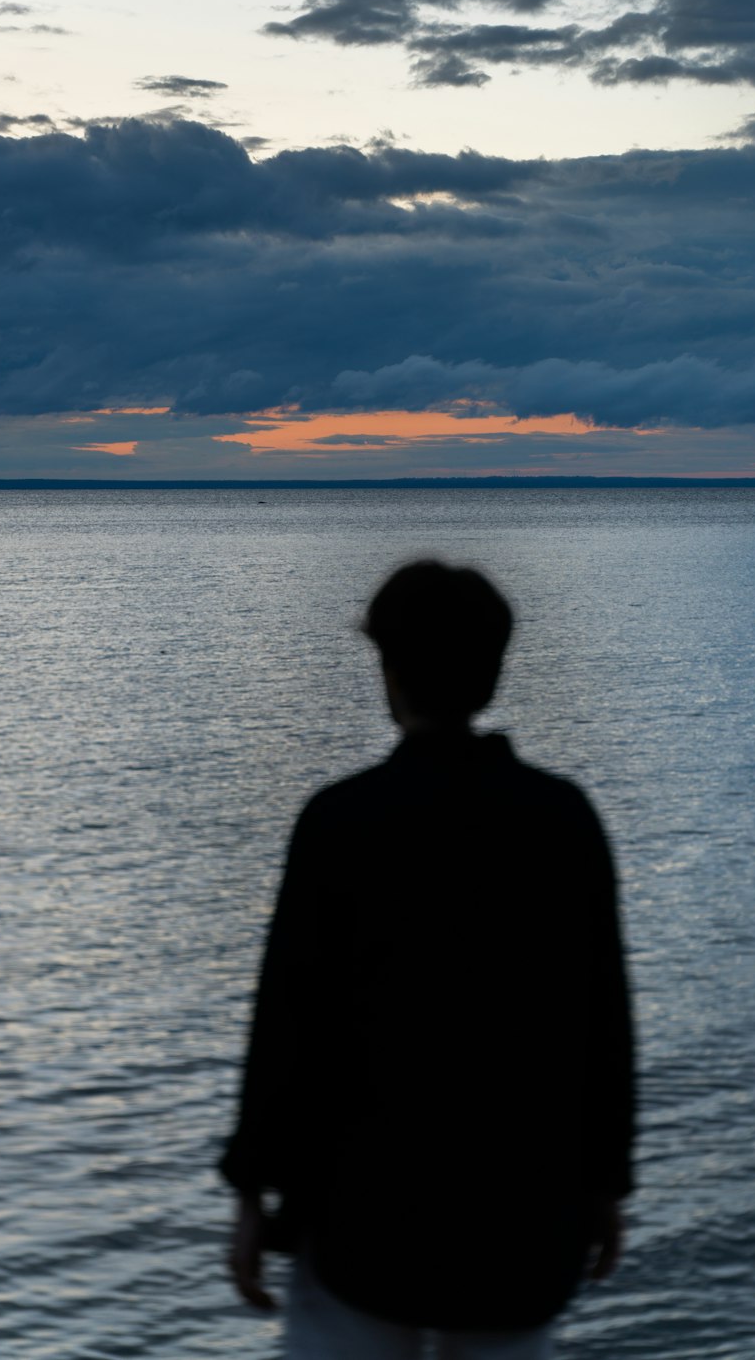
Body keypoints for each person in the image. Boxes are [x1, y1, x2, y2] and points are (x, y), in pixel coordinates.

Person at [219, 560, 635, 1359]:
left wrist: (249, 1192)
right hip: (520, 1217)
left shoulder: (340, 822)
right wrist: (605, 1184)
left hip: (359, 1218)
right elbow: (603, 1025)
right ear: (495, 666)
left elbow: (287, 1027)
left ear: (389, 669)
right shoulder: (560, 820)